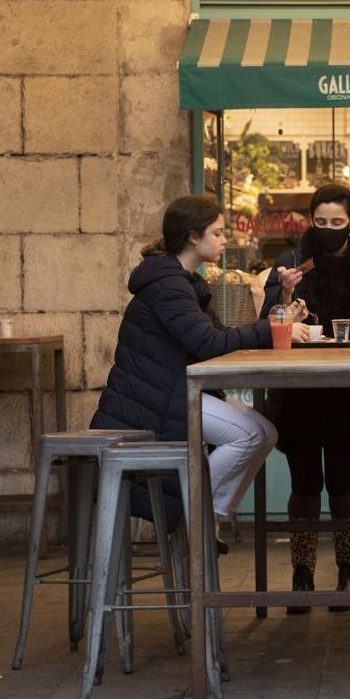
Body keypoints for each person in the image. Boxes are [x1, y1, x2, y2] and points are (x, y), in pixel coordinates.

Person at [91, 195, 278, 545]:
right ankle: (202, 517)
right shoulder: (169, 286)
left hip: (171, 393)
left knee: (265, 432)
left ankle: (206, 516)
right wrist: (267, 329)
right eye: (218, 233)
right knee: (250, 435)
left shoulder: (183, 283)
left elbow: (217, 337)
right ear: (194, 237)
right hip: (156, 405)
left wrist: (268, 321)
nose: (225, 241)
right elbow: (207, 344)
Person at [259, 181, 350, 612]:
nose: (329, 229)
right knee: (303, 483)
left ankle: (348, 574)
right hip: (297, 392)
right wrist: (283, 296)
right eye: (321, 222)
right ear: (310, 222)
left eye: (338, 222)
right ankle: (302, 578)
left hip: (347, 394)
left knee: (340, 481)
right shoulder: (290, 264)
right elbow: (265, 327)